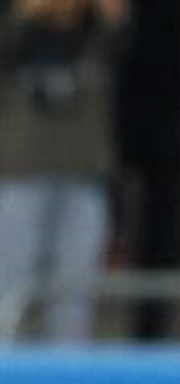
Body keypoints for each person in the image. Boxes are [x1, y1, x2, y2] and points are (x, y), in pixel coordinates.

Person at [0, 0, 125, 342]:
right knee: (10, 287)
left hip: (84, 173)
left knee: (75, 293)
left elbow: (124, 38)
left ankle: (69, 374)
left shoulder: (99, 32)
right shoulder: (13, 29)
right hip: (18, 172)